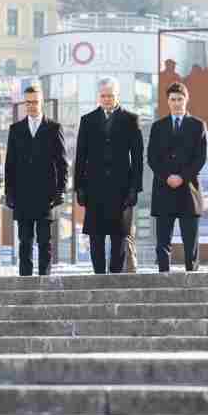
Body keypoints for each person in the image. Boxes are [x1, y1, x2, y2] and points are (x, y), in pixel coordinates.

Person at [74, 77, 144, 274]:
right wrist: (79, 187)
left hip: (121, 189)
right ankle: (98, 276)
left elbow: (138, 157)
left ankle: (115, 277)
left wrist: (134, 188)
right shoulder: (87, 120)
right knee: (95, 235)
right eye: (103, 96)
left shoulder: (130, 119)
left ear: (117, 95)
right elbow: (81, 156)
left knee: (119, 236)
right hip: (94, 188)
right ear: (99, 96)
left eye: (110, 96)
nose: (106, 99)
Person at [5, 86, 67, 276]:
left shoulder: (54, 128)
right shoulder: (15, 129)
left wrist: (60, 191)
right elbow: (10, 164)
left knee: (44, 241)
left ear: (42, 103)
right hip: (22, 195)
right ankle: (25, 280)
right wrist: (9, 193)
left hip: (45, 195)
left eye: (35, 102)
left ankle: (45, 278)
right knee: (24, 240)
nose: (31, 106)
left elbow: (62, 163)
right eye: (28, 102)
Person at [147, 82, 207, 273]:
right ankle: (163, 277)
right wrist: (167, 177)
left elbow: (200, 158)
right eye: (172, 99)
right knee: (163, 242)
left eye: (180, 99)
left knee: (191, 241)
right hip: (164, 190)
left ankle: (193, 276)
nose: (176, 103)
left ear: (186, 99)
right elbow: (152, 158)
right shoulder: (158, 127)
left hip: (188, 190)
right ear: (168, 101)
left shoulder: (198, 125)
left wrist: (182, 177)